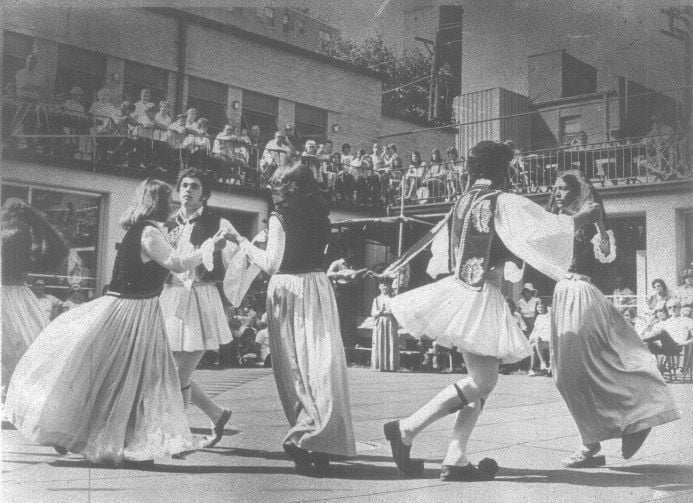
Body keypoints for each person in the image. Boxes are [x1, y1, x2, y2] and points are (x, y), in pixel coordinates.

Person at [383, 140, 604, 481]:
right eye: (510, 168)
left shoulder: (462, 201)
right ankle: (407, 428)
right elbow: (541, 230)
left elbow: (442, 256)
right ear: (501, 169)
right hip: (479, 294)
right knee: (483, 380)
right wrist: (578, 220)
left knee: (481, 382)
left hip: (461, 288)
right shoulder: (502, 201)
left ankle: (455, 457)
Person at [5, 178, 228, 465]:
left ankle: (87, 431)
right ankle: (84, 431)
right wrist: (211, 244)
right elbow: (177, 264)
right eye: (168, 202)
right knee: (125, 377)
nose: (172, 207)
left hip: (136, 309)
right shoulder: (149, 233)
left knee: (119, 376)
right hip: (132, 312)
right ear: (157, 203)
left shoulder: (144, 230)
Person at [224, 163, 356, 477]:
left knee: (293, 367)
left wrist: (242, 242)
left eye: (277, 185)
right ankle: (321, 440)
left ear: (287, 187)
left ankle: (303, 434)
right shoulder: (322, 216)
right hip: (318, 286)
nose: (272, 190)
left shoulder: (280, 216)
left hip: (289, 288)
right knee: (321, 364)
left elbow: (272, 264)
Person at [546, 170, 679, 468]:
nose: (555, 193)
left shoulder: (591, 221)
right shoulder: (558, 220)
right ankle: (592, 441)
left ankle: (634, 419)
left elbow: (603, 258)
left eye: (562, 188)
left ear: (578, 190)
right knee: (563, 374)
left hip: (580, 292)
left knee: (592, 366)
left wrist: (596, 226)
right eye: (554, 188)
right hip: (562, 294)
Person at [159, 168, 234, 448]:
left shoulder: (217, 223)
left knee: (179, 373)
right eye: (185, 185)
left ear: (204, 194)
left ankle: (175, 436)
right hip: (170, 299)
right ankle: (217, 414)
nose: (188, 190)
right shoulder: (166, 224)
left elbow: (229, 265)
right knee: (173, 371)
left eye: (195, 186)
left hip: (201, 299)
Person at [1, 199, 68, 395]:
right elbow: (58, 252)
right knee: (24, 342)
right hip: (18, 293)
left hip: (12, 291)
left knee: (16, 343)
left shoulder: (16, 236)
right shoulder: (27, 235)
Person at [371, 279, 399, 372]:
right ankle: (380, 365)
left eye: (386, 286)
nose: (385, 287)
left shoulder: (392, 298)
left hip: (390, 322)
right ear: (379, 287)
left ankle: (391, 365)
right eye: (383, 286)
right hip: (380, 322)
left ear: (389, 287)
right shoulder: (376, 299)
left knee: (390, 341)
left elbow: (395, 311)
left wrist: (387, 311)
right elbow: (373, 313)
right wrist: (380, 311)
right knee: (380, 342)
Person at [528, 303, 551, 376]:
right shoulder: (539, 317)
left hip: (549, 340)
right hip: (540, 339)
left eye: (551, 307)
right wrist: (530, 338)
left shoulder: (554, 317)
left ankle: (547, 366)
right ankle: (533, 368)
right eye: (549, 307)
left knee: (536, 342)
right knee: (533, 344)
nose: (550, 309)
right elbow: (535, 329)